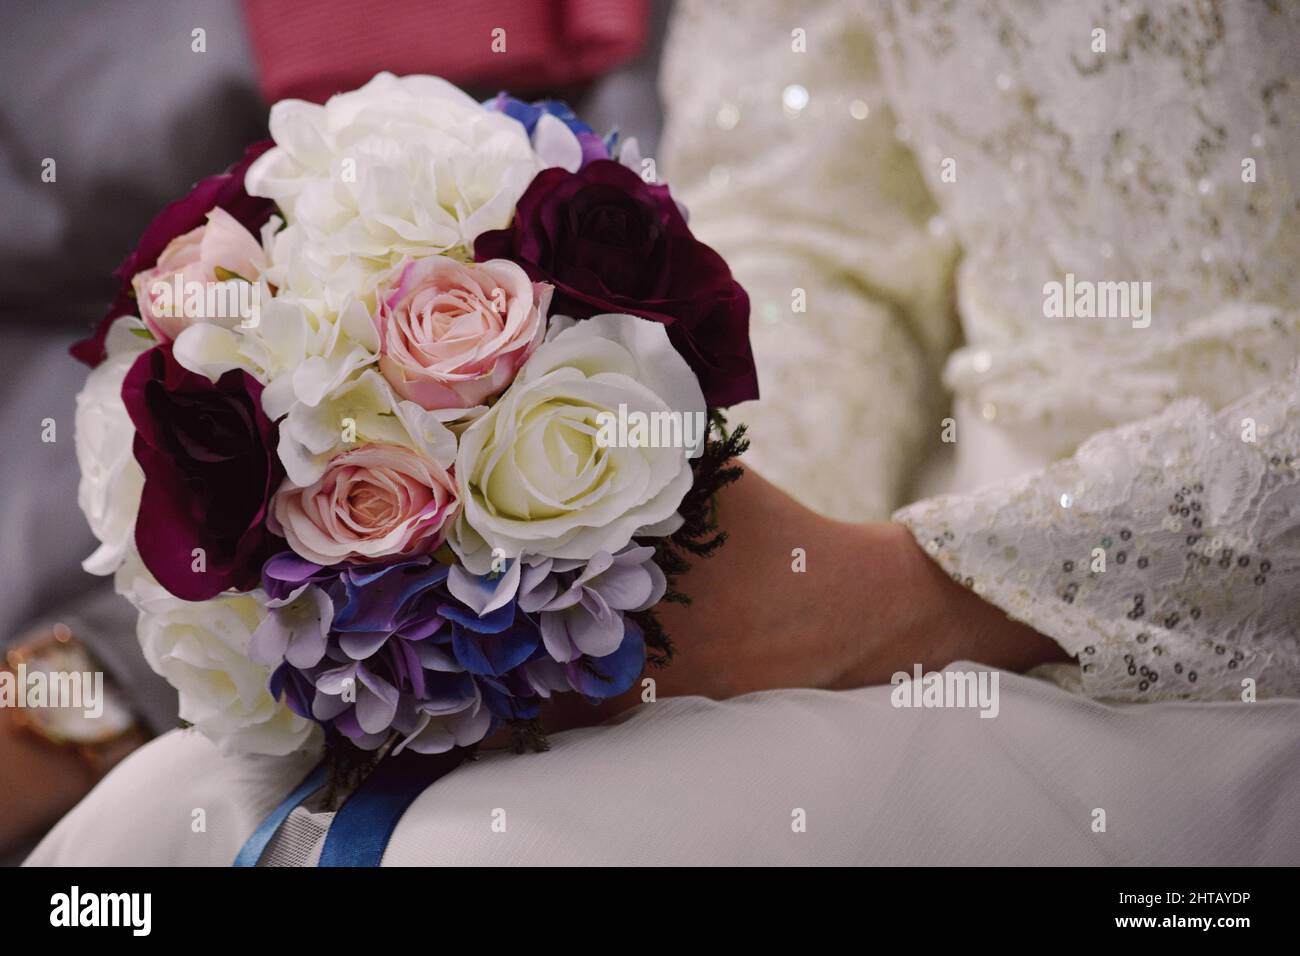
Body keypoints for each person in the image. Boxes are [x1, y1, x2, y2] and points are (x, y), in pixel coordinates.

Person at [26, 0, 1300, 866]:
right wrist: (654, 534)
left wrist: (912, 589)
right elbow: (817, 252)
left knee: (496, 855)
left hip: (1212, 618)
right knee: (158, 824)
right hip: (904, 517)